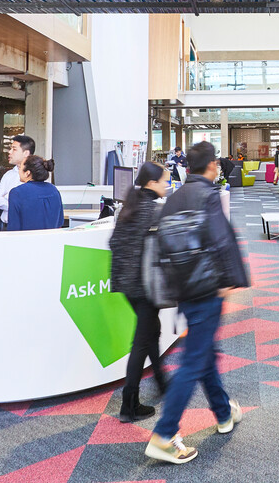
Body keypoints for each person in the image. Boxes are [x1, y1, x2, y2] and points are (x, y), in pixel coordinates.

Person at [147, 142, 251, 465]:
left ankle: (222, 413)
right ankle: (164, 434)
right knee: (194, 360)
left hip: (183, 290)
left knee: (204, 353)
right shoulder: (208, 196)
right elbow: (222, 241)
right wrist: (230, 280)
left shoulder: (172, 199)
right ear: (213, 165)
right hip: (207, 289)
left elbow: (162, 246)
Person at [108, 161, 172, 423]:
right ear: (151, 184)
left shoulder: (128, 207)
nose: (167, 185)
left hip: (126, 284)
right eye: (164, 181)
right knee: (141, 341)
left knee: (150, 332)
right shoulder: (153, 211)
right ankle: (129, 404)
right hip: (146, 286)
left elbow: (114, 243)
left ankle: (161, 381)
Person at [6, 156, 62, 231]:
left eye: (20, 168)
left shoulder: (17, 193)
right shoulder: (53, 190)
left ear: (27, 173)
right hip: (51, 241)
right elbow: (59, 222)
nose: (19, 171)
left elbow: (14, 227)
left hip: (27, 241)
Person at [0, 135, 36, 217]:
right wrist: (18, 206)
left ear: (26, 153)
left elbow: (33, 204)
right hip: (8, 226)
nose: (9, 152)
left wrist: (6, 199)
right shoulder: (8, 175)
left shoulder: (37, 175)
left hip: (30, 226)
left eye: (14, 149)